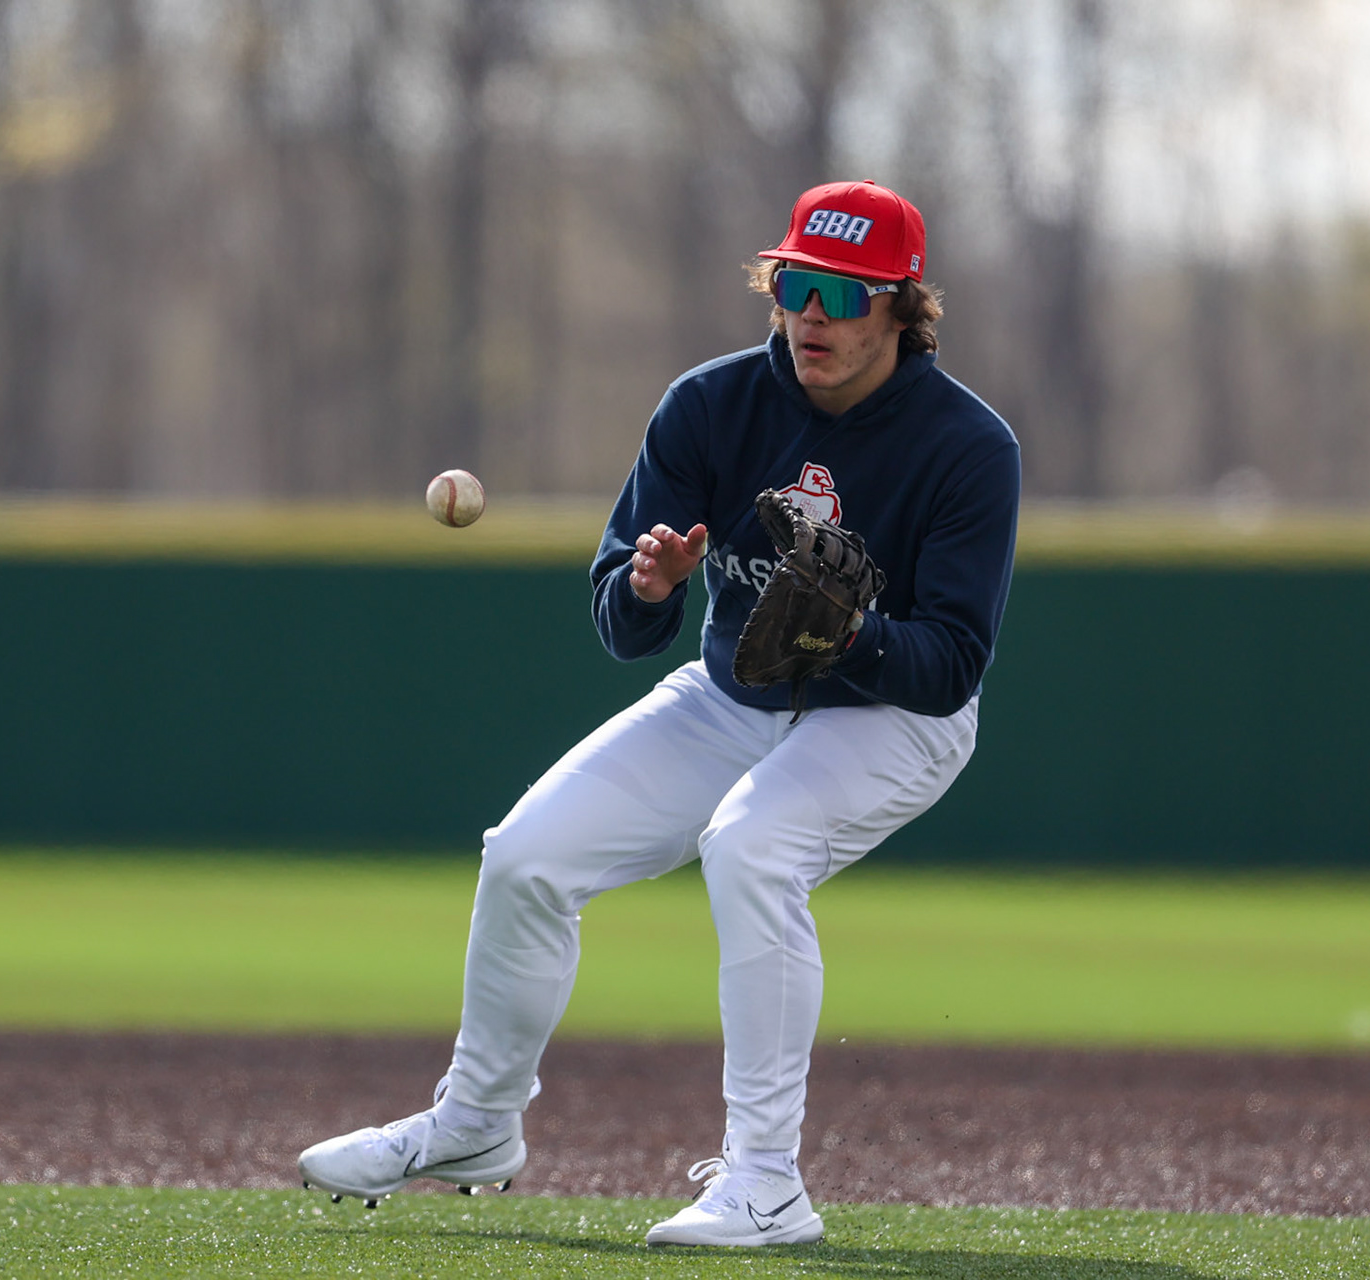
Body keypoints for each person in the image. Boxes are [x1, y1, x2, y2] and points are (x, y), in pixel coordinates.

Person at [298, 179, 1022, 1248]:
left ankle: (767, 1182)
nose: (812, 313)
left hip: (889, 717)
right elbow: (619, 622)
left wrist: (848, 633)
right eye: (794, 284)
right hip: (733, 693)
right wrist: (648, 589)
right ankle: (476, 1123)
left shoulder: (968, 446)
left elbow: (951, 666)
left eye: (843, 292)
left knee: (752, 845)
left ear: (901, 310)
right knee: (525, 854)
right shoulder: (710, 405)